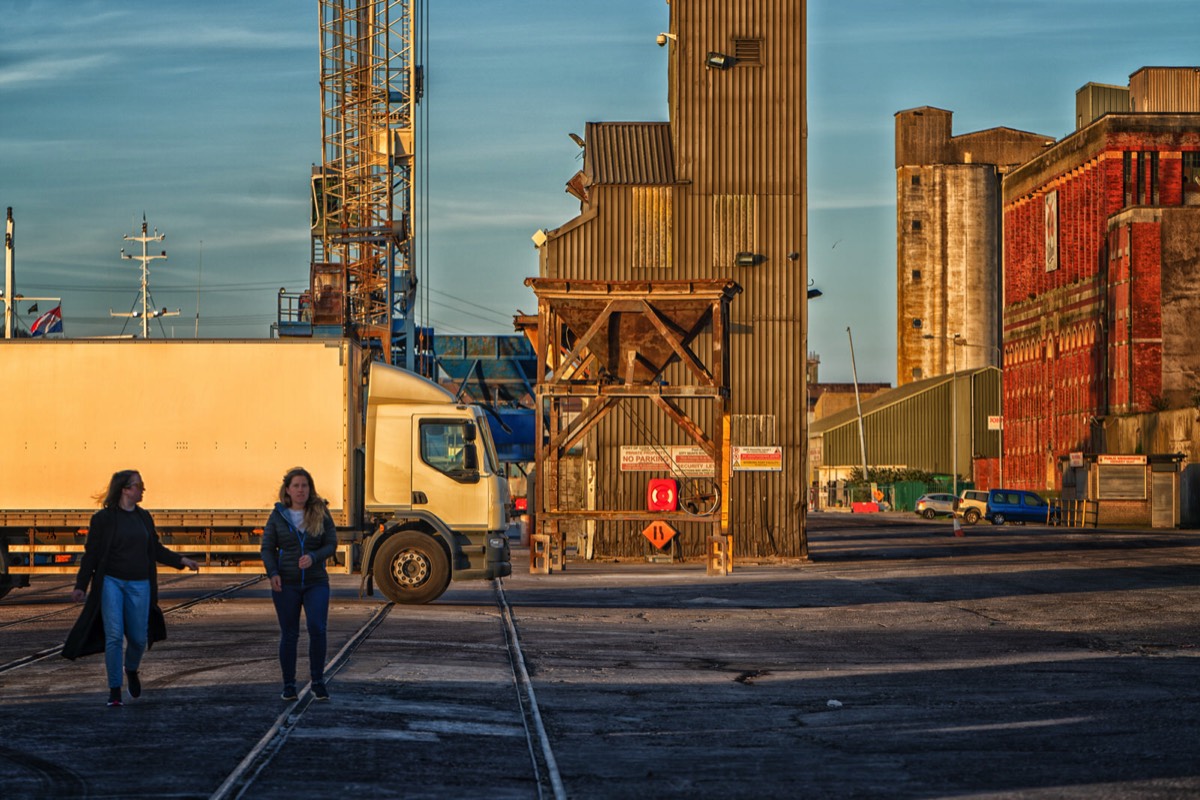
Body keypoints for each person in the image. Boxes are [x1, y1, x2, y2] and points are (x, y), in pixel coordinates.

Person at [66, 470, 199, 707]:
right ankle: (114, 691)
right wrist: (80, 585)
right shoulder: (103, 519)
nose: (142, 490)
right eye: (138, 486)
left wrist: (181, 560)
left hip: (140, 584)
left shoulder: (144, 517)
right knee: (114, 636)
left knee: (138, 638)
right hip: (111, 583)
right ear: (125, 489)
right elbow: (92, 555)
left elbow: (155, 549)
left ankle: (132, 669)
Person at [261, 467, 338, 702]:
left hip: (316, 582)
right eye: (296, 485)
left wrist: (314, 557)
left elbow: (331, 543)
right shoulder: (278, 516)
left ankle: (317, 681)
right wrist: (273, 572)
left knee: (317, 629)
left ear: (310, 488)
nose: (300, 490)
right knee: (290, 634)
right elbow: (267, 548)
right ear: (287, 489)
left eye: (304, 485)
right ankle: (289, 685)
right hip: (287, 584)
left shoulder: (320, 512)